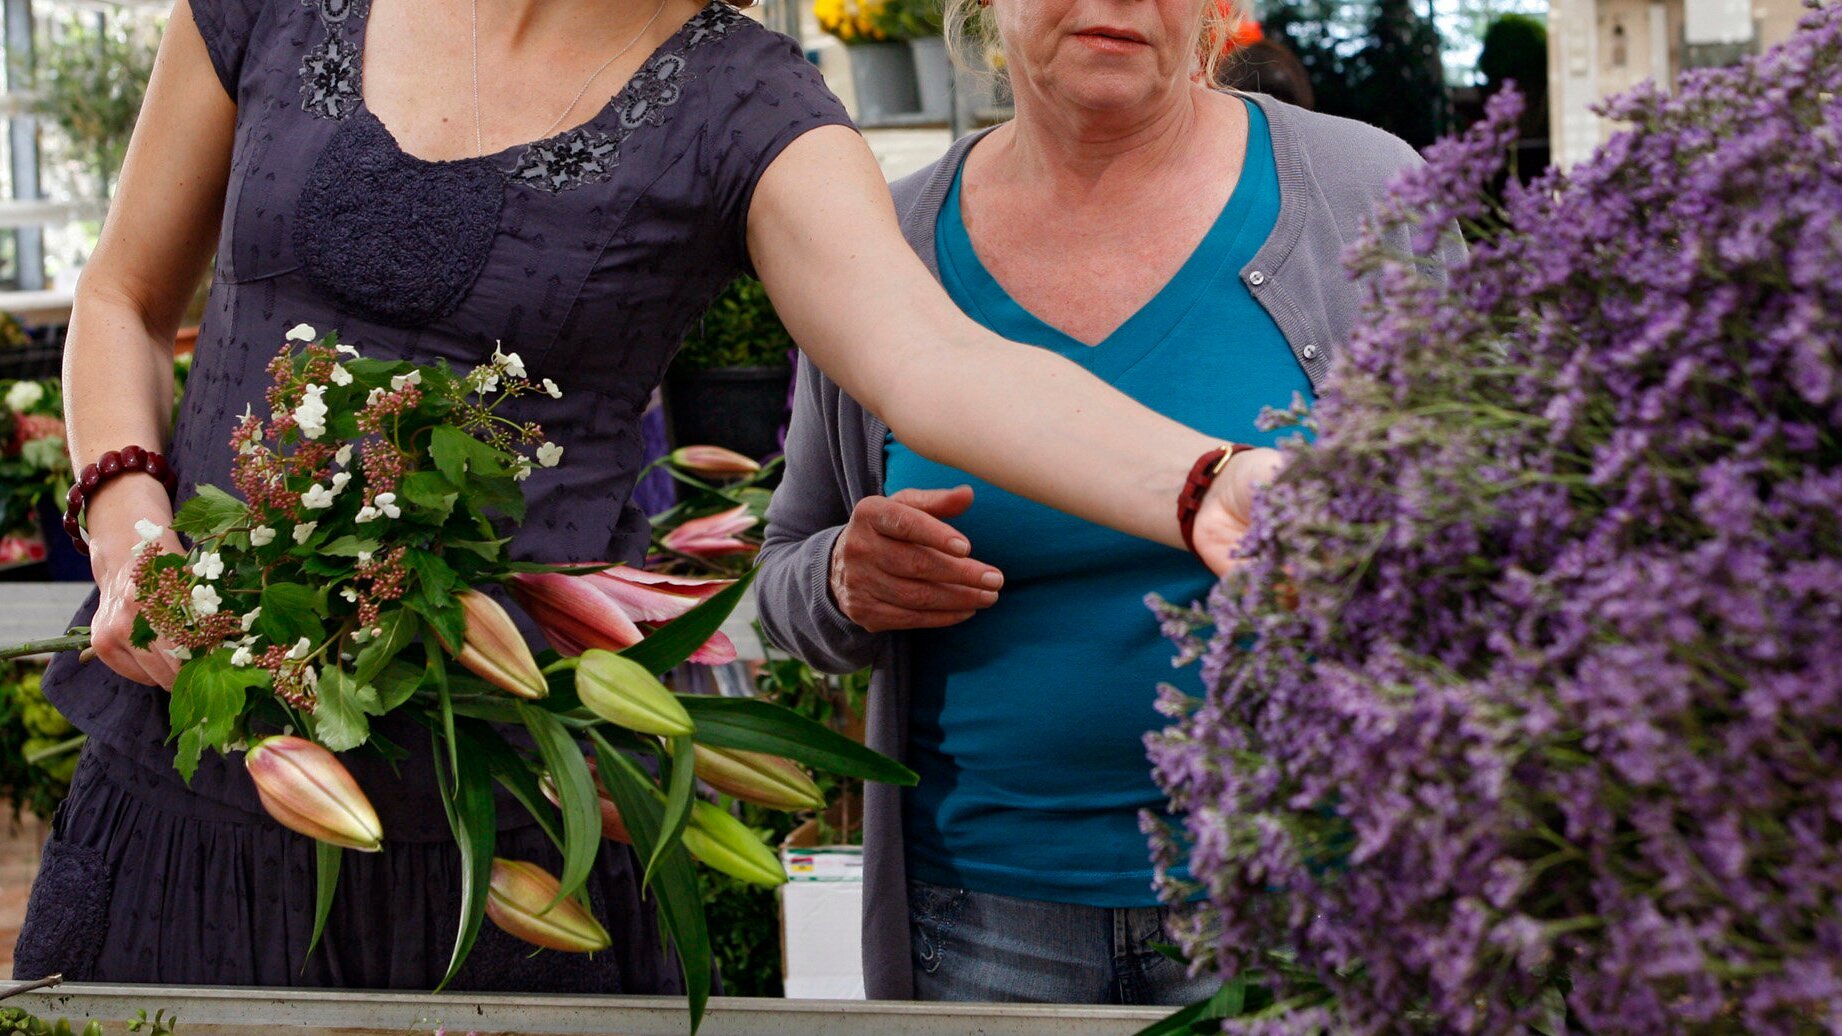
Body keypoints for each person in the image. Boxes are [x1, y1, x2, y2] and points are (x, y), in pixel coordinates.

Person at [13, 0, 1273, 992]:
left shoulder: (748, 104)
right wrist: (133, 534)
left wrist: (1202, 481)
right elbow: (122, 298)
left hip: (507, 828)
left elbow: (931, 361)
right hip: (186, 776)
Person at [755, 0, 1466, 1005]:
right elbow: (785, 565)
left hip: (1303, 895)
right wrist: (842, 580)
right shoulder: (892, 248)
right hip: (982, 917)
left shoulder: (1363, 192)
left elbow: (1492, 539)